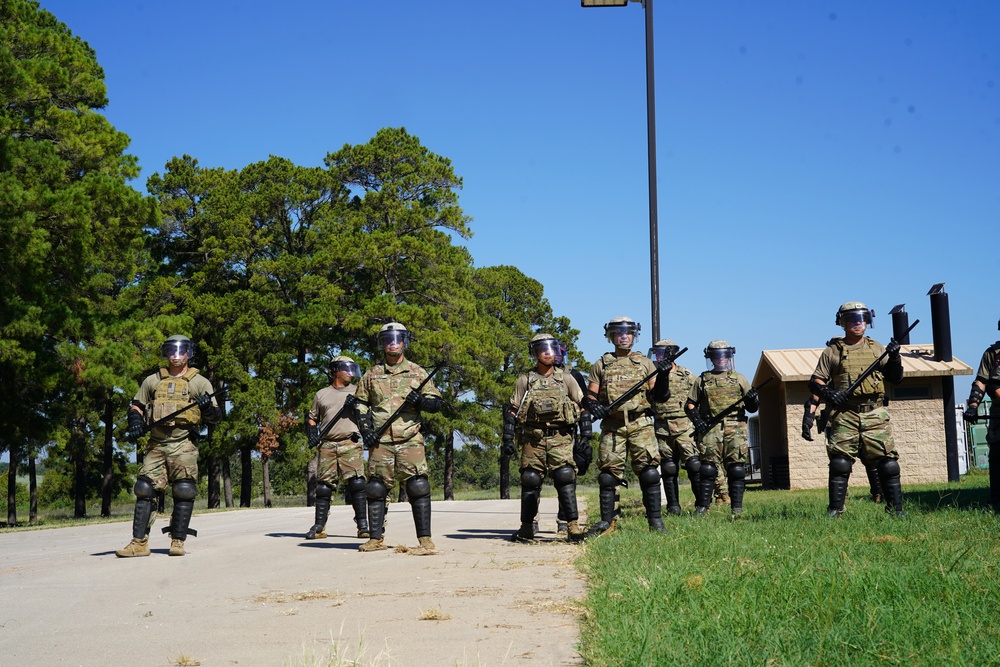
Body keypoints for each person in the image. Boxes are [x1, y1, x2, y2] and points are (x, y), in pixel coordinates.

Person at [117, 335, 221, 557]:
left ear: (188, 353)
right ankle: (139, 543)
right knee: (144, 489)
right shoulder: (152, 380)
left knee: (184, 490)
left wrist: (206, 408)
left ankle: (177, 541)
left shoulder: (200, 382)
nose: (176, 356)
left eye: (181, 351)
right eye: (171, 351)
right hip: (157, 443)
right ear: (166, 353)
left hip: (184, 443)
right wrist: (135, 423)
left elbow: (215, 417)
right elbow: (136, 406)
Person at [808, 301, 905, 518]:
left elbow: (895, 378)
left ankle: (896, 510)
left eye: (861, 318)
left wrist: (895, 357)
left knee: (888, 464)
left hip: (874, 413)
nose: (857, 322)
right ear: (842, 322)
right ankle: (835, 510)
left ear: (868, 321)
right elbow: (815, 382)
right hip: (845, 414)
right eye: (851, 318)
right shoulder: (832, 351)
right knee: (840, 463)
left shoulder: (878, 348)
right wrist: (830, 394)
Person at [355, 323, 442, 554]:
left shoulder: (418, 372)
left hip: (410, 439)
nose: (393, 342)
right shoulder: (371, 374)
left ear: (405, 342)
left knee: (418, 486)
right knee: (375, 488)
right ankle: (375, 539)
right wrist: (366, 430)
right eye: (388, 339)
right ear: (382, 343)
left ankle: (425, 540)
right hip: (380, 440)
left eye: (397, 338)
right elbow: (361, 404)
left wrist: (420, 402)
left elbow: (436, 403)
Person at [583, 317, 672, 535]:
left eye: (628, 332)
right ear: (611, 336)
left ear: (634, 335)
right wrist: (595, 408)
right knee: (607, 476)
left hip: (640, 422)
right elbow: (590, 396)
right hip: (613, 425)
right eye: (619, 332)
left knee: (650, 472)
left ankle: (655, 522)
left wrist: (663, 376)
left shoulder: (645, 363)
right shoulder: (601, 364)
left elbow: (659, 397)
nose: (624, 336)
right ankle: (608, 523)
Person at [503, 334, 587, 542]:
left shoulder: (566, 379)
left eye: (552, 348)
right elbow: (512, 411)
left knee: (565, 477)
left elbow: (584, 407)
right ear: (535, 353)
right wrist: (507, 439)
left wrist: (586, 436)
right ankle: (527, 528)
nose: (549, 353)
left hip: (560, 437)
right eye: (543, 349)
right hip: (533, 438)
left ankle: (573, 527)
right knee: (530, 479)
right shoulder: (525, 380)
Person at [685, 340, 758, 516]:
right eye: (716, 356)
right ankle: (703, 507)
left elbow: (752, 408)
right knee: (708, 468)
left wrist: (752, 399)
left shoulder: (739, 378)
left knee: (736, 468)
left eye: (724, 356)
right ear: (710, 358)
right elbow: (690, 405)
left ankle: (737, 508)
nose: (721, 360)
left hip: (735, 428)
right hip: (710, 429)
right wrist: (697, 421)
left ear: (729, 357)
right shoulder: (702, 380)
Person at [304, 356, 368, 540]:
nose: (350, 373)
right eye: (346, 369)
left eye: (351, 368)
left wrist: (355, 406)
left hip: (350, 443)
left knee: (357, 484)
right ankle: (319, 526)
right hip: (327, 445)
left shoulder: (358, 392)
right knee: (324, 487)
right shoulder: (321, 394)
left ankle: (363, 524)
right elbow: (312, 418)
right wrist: (312, 433)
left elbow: (367, 416)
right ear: (335, 371)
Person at [648, 340, 700, 515]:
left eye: (663, 352)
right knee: (668, 468)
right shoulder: (652, 375)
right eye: (657, 353)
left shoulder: (686, 375)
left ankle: (701, 505)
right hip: (662, 427)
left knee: (694, 465)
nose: (659, 356)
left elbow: (697, 398)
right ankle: (673, 506)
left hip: (685, 426)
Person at [963, 319, 1000, 511]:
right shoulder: (992, 354)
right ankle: (996, 498)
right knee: (997, 454)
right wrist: (972, 406)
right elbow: (981, 381)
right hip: (998, 412)